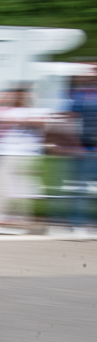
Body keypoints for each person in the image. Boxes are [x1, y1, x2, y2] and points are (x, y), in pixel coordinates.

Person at [0, 87, 51, 233]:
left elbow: (42, 125)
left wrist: (22, 120)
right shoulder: (9, 111)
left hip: (20, 153)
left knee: (9, 185)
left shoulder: (33, 112)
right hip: (3, 152)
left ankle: (7, 217)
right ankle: (4, 216)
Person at [66, 73, 97, 235]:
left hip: (87, 149)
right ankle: (78, 225)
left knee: (81, 191)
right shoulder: (84, 95)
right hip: (87, 148)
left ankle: (78, 225)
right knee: (81, 191)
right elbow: (72, 120)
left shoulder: (84, 95)